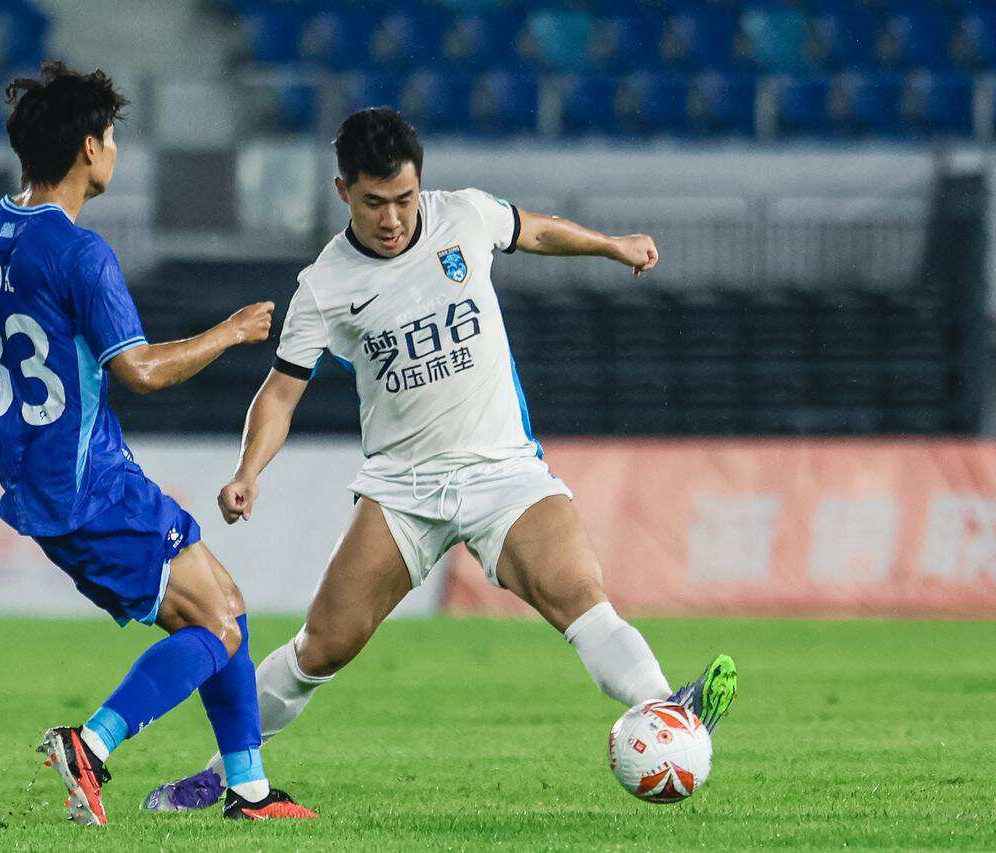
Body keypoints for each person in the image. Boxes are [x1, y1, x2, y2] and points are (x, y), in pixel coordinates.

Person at [145, 107, 737, 811]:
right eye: (374, 202)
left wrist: (611, 246)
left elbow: (536, 230)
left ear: (420, 183)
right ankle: (218, 775)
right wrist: (248, 471)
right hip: (403, 490)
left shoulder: (465, 216)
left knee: (582, 598)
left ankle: (668, 710)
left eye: (404, 198)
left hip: (504, 472)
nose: (393, 218)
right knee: (322, 646)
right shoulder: (325, 286)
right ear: (343, 191)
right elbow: (280, 392)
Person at [0, 60, 315, 825]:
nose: (114, 149)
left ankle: (248, 790)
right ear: (87, 148)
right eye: (110, 136)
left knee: (224, 605)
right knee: (215, 625)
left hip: (38, 487)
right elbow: (139, 370)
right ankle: (92, 744)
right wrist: (230, 331)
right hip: (92, 484)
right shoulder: (79, 252)